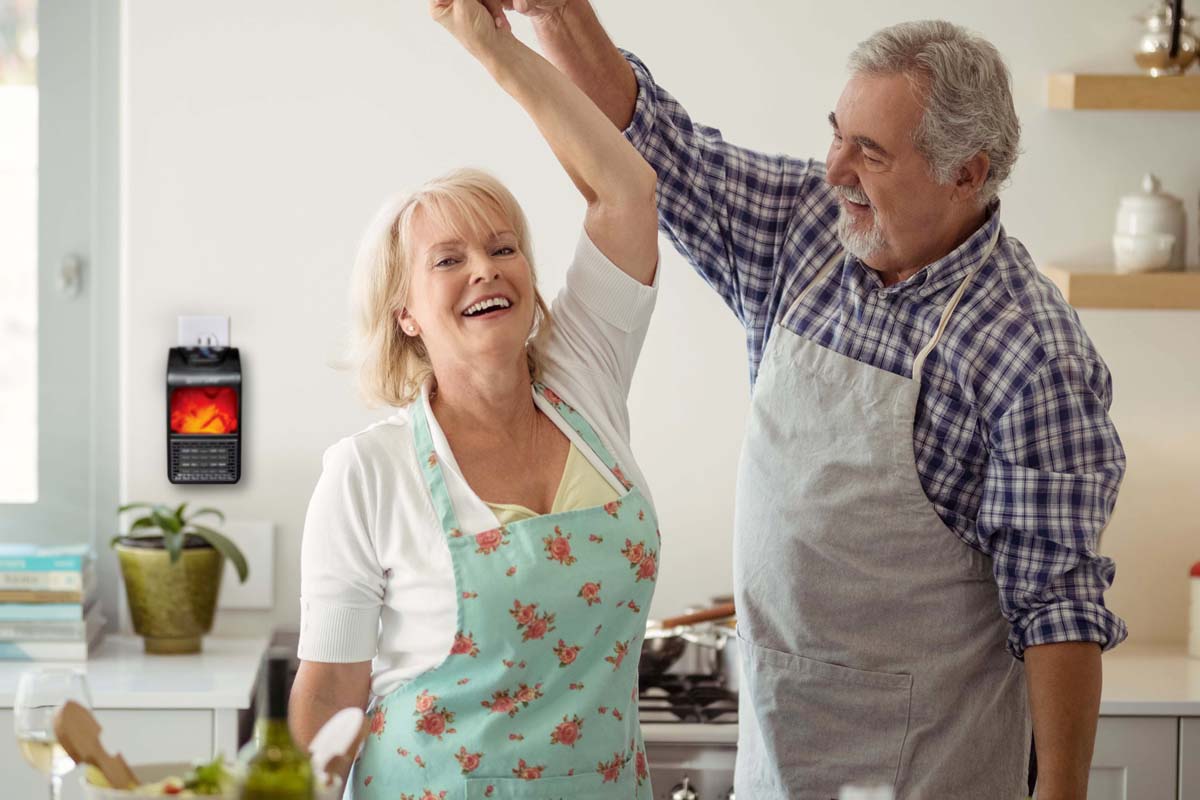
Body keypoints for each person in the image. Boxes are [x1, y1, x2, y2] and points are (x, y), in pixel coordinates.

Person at [487, 3, 1128, 798]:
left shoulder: (1031, 354)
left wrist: (1060, 791)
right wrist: (550, 15)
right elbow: (656, 144)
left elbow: (1057, 607)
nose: (834, 170)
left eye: (870, 153)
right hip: (780, 747)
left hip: (926, 769)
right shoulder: (807, 233)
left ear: (966, 171)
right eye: (837, 133)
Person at [289, 1, 661, 797]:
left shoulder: (585, 381)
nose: (486, 269)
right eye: (448, 259)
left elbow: (626, 192)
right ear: (406, 313)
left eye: (503, 248)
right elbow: (329, 694)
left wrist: (494, 50)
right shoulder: (366, 472)